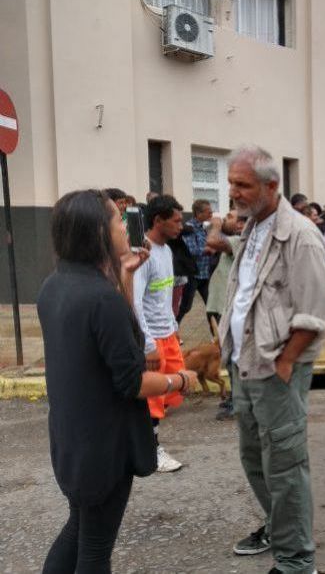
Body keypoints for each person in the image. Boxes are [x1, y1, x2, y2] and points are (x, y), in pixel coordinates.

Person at [38, 190, 198, 573]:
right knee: (94, 548)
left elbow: (115, 342)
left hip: (73, 438)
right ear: (97, 232)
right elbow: (132, 379)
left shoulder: (55, 286)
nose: (126, 228)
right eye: (117, 221)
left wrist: (125, 277)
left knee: (79, 529)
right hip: (104, 445)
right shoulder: (98, 297)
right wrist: (179, 379)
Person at [218, 145, 325, 572]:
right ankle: (280, 527)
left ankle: (296, 561)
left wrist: (286, 360)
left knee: (285, 465)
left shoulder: (301, 235)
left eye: (243, 185)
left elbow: (320, 309)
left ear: (272, 186)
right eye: (232, 183)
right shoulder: (252, 228)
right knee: (254, 458)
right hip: (244, 366)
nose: (233, 192)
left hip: (277, 370)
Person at [133, 195, 188, 472]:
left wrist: (174, 330)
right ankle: (151, 452)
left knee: (168, 396)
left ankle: (146, 446)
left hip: (168, 335)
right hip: (152, 340)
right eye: (176, 221)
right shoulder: (143, 253)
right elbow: (136, 302)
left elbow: (164, 299)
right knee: (152, 400)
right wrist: (148, 345)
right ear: (158, 221)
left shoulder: (166, 251)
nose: (181, 225)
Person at [204, 212, 246, 421]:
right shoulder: (236, 240)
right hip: (224, 306)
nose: (228, 218)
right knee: (229, 354)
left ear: (242, 225)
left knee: (231, 355)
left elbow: (212, 240)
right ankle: (236, 398)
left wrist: (216, 224)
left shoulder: (241, 240)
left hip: (230, 310)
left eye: (233, 217)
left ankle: (237, 401)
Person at [177, 199, 214, 324]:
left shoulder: (204, 227)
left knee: (211, 307)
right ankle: (173, 331)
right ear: (198, 213)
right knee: (185, 307)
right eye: (208, 212)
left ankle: (217, 336)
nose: (212, 214)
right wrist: (209, 249)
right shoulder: (189, 228)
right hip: (192, 275)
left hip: (205, 274)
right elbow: (191, 251)